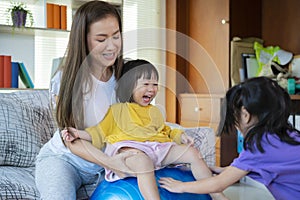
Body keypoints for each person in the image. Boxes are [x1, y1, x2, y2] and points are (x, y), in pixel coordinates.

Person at [62, 59, 227, 200]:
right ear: (129, 86)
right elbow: (98, 132)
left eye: (155, 84)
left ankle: (215, 193)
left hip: (157, 149)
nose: (152, 89)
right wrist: (78, 133)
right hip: (132, 153)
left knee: (192, 152)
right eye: (146, 84)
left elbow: (165, 130)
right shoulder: (118, 110)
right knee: (143, 162)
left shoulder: (154, 111)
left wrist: (180, 136)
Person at [35, 1, 133, 199]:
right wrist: (112, 163)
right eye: (101, 39)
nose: (112, 46)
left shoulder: (126, 74)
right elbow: (71, 138)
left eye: (116, 36)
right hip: (65, 160)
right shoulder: (66, 79)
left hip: (107, 162)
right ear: (83, 39)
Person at [159, 77, 300, 199]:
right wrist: (225, 170)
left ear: (245, 115)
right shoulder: (286, 135)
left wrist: (181, 186)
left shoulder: (260, 145)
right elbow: (260, 166)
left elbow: (217, 184)